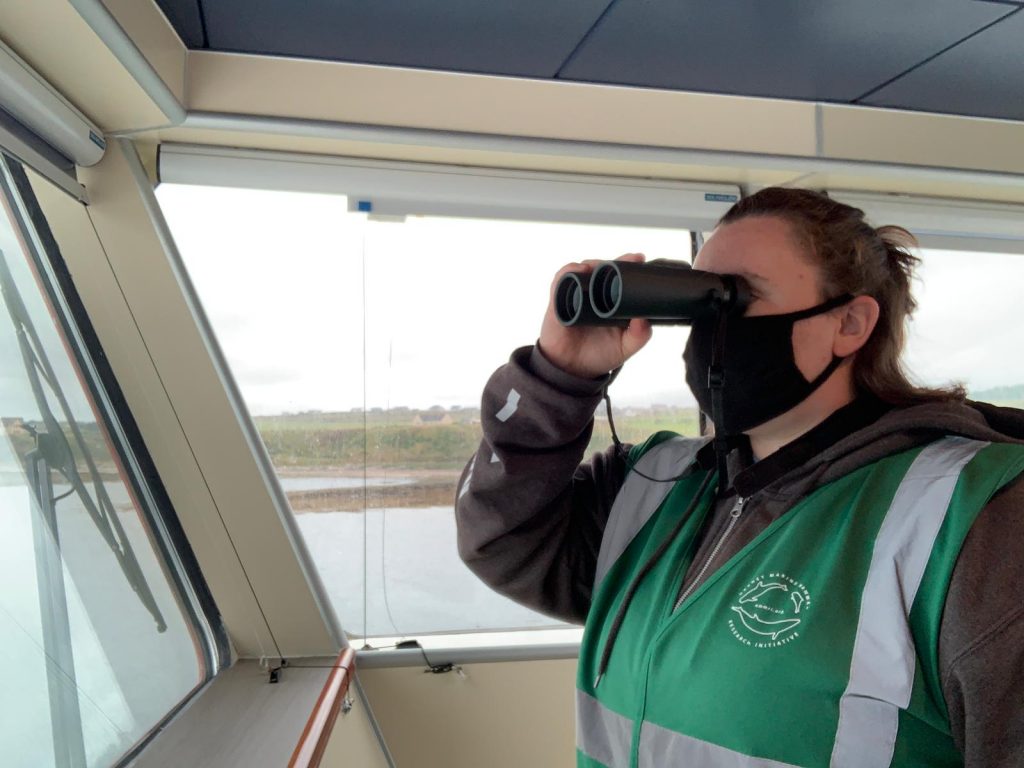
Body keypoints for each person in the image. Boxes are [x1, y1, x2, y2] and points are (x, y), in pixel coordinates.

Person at [454, 187, 1024, 767]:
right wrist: (558, 376)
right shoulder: (655, 484)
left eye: (739, 297)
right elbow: (502, 540)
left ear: (849, 323)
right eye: (702, 301)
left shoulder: (974, 514)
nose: (714, 326)